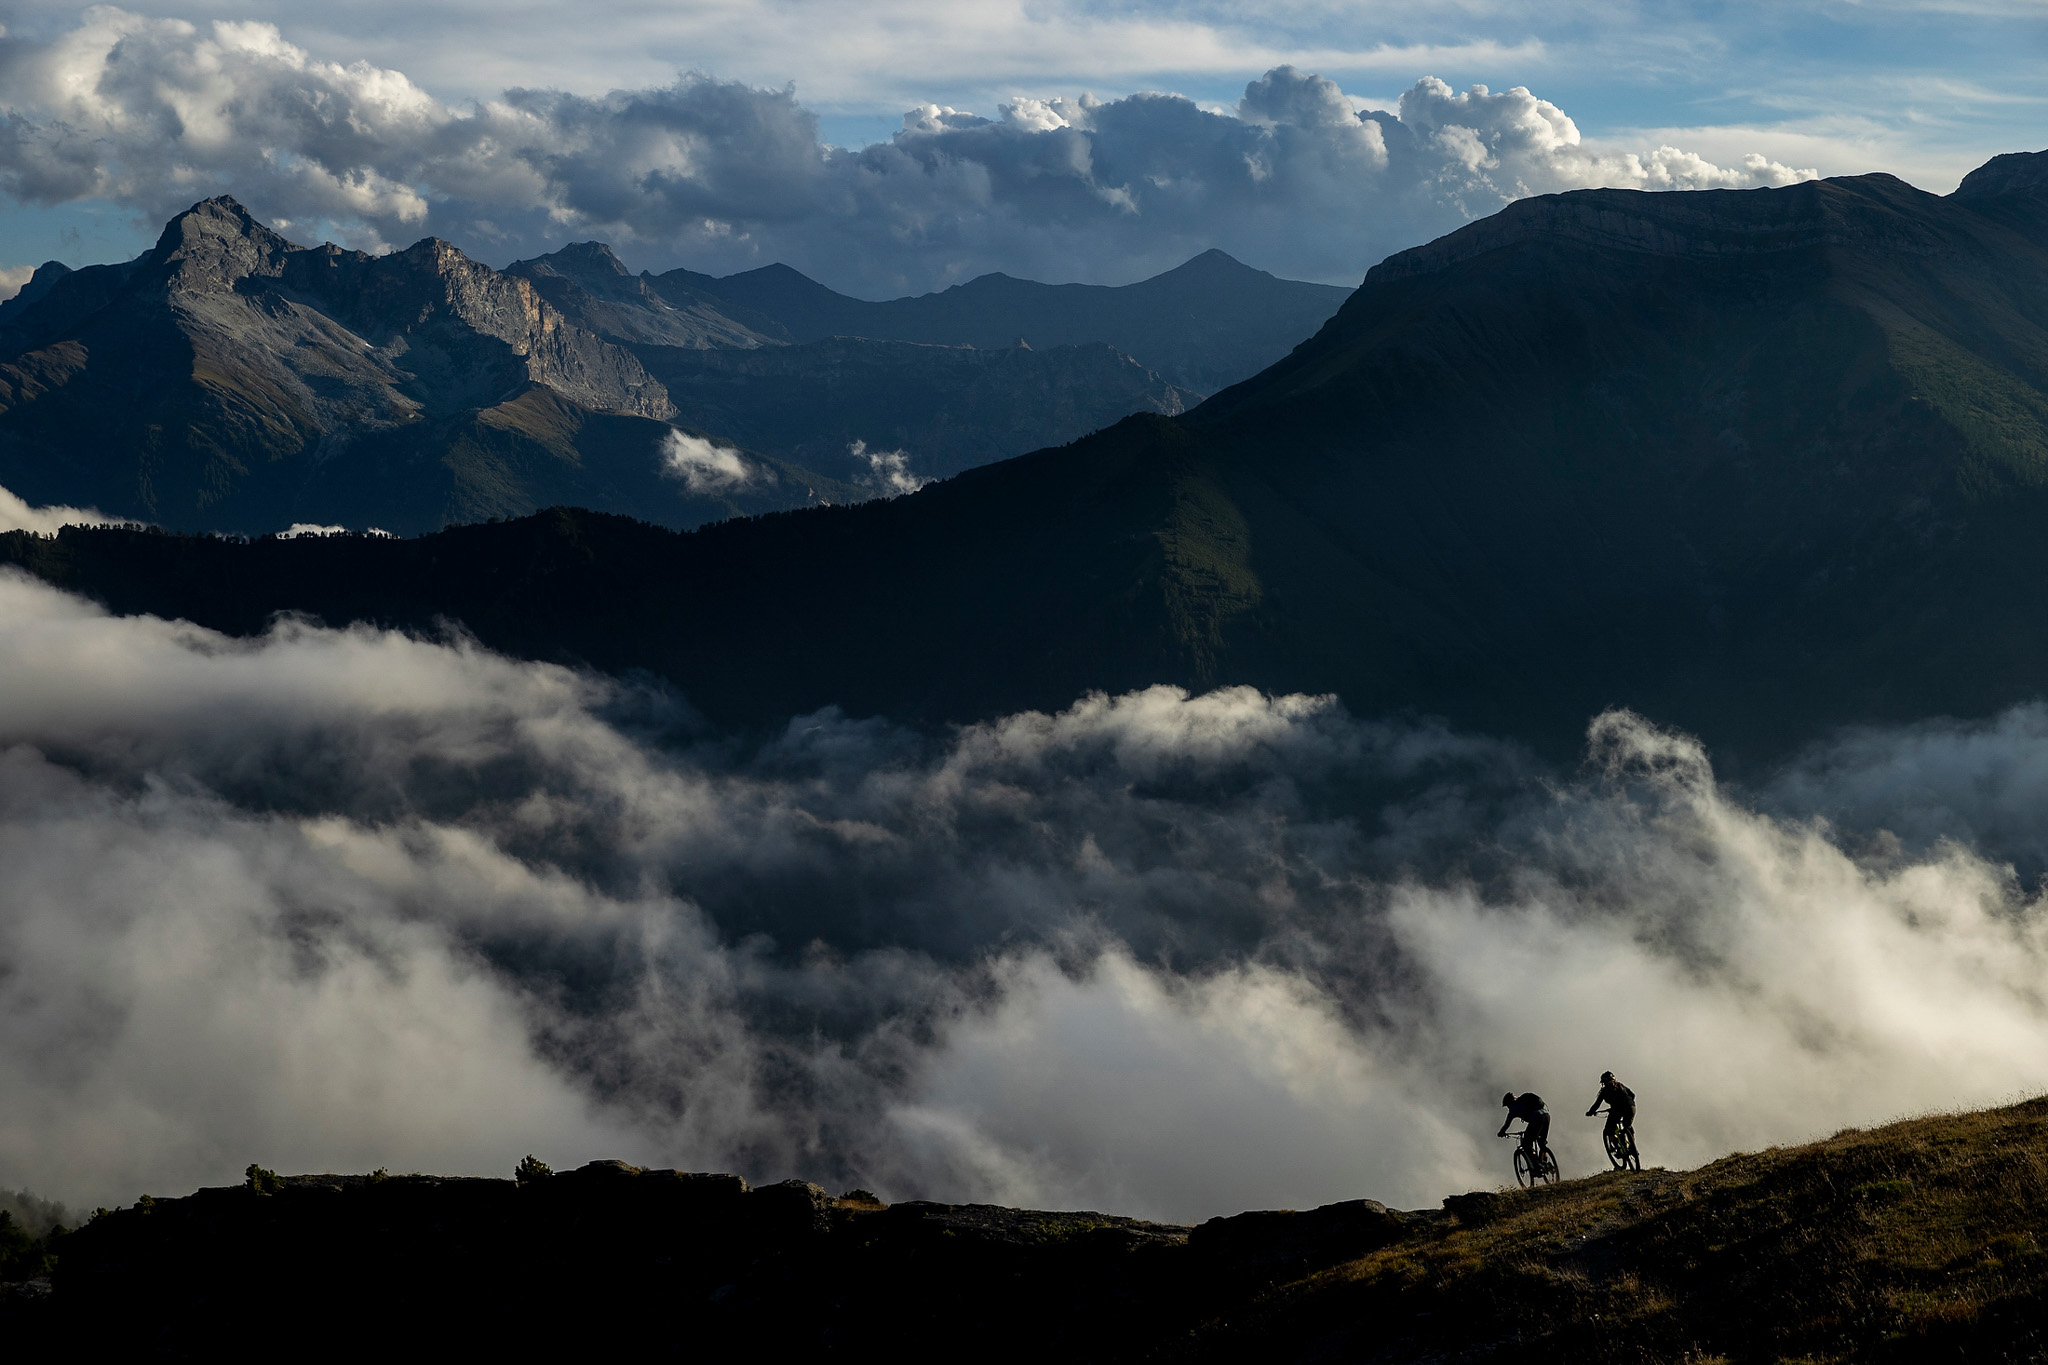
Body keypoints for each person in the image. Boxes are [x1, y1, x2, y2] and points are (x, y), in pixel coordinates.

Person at [1586, 1070, 1637, 1156]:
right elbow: (1632, 1095)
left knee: (1609, 1130)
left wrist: (1590, 1112)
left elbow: (1597, 1104)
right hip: (1631, 1107)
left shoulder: (1604, 1091)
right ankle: (1632, 1147)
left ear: (1603, 1082)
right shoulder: (1621, 1085)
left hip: (1617, 1110)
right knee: (1628, 1126)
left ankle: (1619, 1149)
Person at [1497, 1091, 1551, 1162]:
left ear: (1510, 1102)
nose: (1508, 1107)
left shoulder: (1513, 1109)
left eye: (1507, 1105)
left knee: (1526, 1145)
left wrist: (1501, 1132)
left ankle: (1536, 1165)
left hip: (1536, 1118)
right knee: (1542, 1143)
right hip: (1546, 1115)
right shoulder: (1522, 1101)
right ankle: (1546, 1164)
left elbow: (1506, 1124)